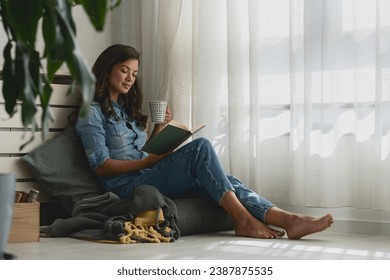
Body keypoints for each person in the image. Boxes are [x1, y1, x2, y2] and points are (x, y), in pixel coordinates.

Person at [75, 44, 334, 239]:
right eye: (124, 71)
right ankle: (243, 220)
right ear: (107, 69)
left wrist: (161, 128)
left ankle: (288, 219)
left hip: (147, 173)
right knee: (201, 148)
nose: (131, 78)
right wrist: (152, 161)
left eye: (134, 73)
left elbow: (145, 154)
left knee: (225, 179)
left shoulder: (125, 110)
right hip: (125, 186)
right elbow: (102, 167)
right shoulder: (91, 113)